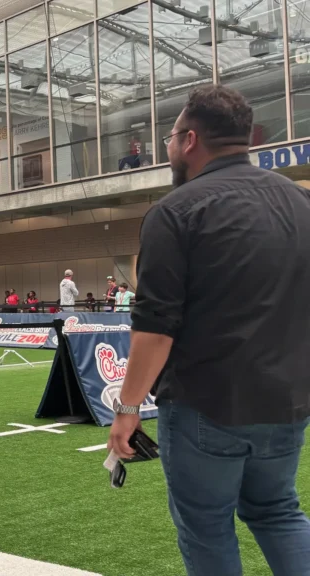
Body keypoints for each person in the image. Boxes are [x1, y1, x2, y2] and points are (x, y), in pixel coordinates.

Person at [107, 85, 310, 576]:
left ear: (190, 139)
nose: (170, 148)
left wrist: (128, 410)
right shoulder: (302, 203)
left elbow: (156, 327)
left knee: (207, 529)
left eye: (171, 137)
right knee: (278, 512)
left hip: (205, 404)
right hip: (287, 401)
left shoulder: (175, 212)